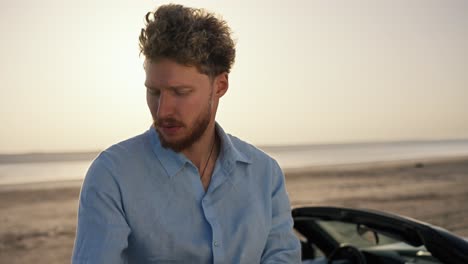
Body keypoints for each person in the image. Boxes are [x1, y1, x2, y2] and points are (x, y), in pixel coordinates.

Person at [72, 4, 301, 263]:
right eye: (154, 92)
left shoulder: (265, 174)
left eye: (180, 92)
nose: (163, 110)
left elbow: (283, 257)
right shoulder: (112, 175)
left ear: (220, 86)